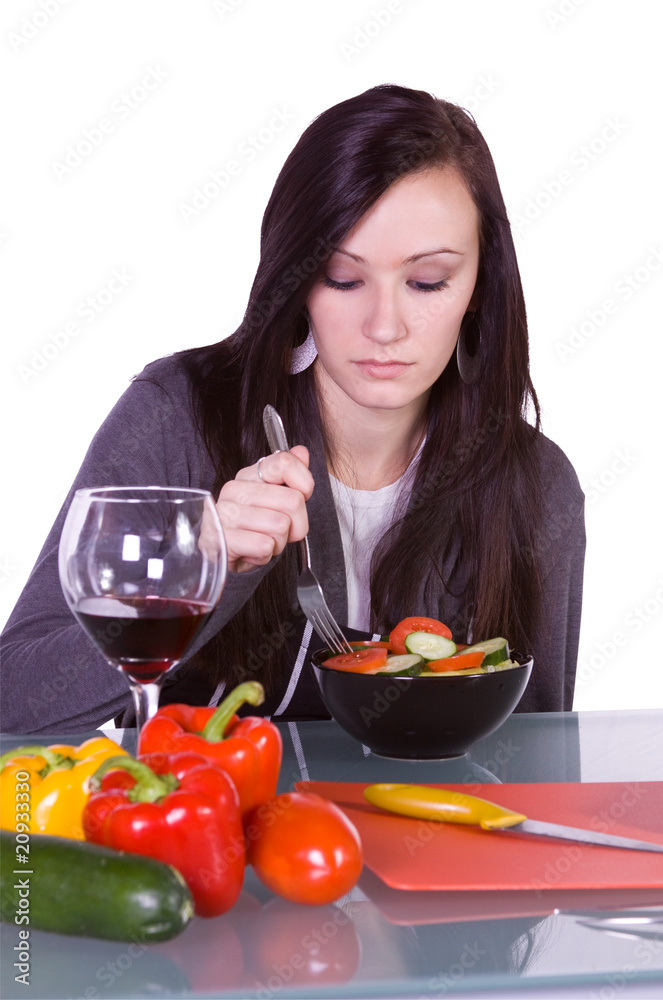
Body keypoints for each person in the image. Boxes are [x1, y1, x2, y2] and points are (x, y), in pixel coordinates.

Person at [1, 84, 585, 734]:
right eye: (342, 277)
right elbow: (16, 702)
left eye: (426, 282)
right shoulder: (178, 414)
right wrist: (206, 570)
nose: (384, 325)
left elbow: (540, 763)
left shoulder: (538, 486)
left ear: (480, 285)